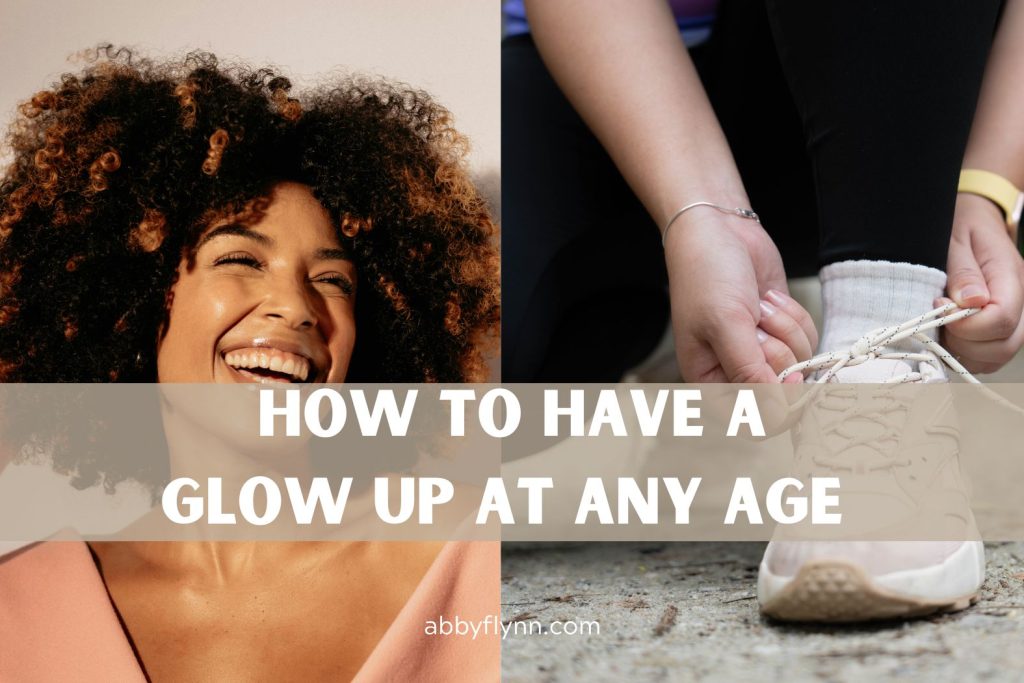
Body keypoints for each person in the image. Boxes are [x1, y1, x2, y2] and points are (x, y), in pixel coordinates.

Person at [502, 0, 1024, 621]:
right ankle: (722, 325)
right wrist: (700, 212)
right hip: (604, 66)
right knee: (432, 367)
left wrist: (983, 186)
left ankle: (877, 339)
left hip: (904, 68)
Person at [0, 47, 501, 680]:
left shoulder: (479, 553)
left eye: (333, 280)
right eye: (240, 260)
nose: (296, 307)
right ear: (135, 297)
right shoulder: (21, 607)